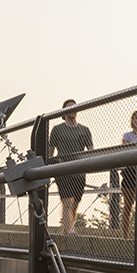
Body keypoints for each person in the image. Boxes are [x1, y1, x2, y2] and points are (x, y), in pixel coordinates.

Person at [48, 99, 93, 235]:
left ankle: (66, 232)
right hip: (63, 169)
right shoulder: (57, 130)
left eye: (74, 107)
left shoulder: (84, 130)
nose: (72, 110)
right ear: (63, 112)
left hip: (79, 171)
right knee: (67, 201)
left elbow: (91, 150)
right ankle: (70, 231)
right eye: (68, 108)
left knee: (74, 205)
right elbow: (50, 152)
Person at [119, 110, 137, 235]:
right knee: (128, 205)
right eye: (135, 118)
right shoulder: (127, 136)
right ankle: (125, 234)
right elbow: (126, 153)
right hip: (130, 173)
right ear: (132, 121)